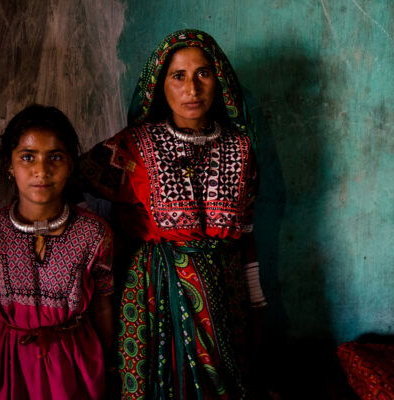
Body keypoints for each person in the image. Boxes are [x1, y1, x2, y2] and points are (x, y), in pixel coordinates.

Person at [80, 29, 267, 399]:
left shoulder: (241, 148)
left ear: (220, 80)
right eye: (178, 76)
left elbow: (246, 234)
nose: (192, 89)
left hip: (226, 297)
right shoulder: (134, 145)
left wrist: (258, 305)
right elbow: (70, 185)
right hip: (154, 293)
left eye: (203, 73)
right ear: (158, 85)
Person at [0, 104, 114, 400]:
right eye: (27, 157)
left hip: (75, 366)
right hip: (5, 366)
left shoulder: (95, 234)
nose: (41, 171)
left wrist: (110, 369)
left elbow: (103, 306)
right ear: (9, 165)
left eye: (55, 157)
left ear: (70, 165)